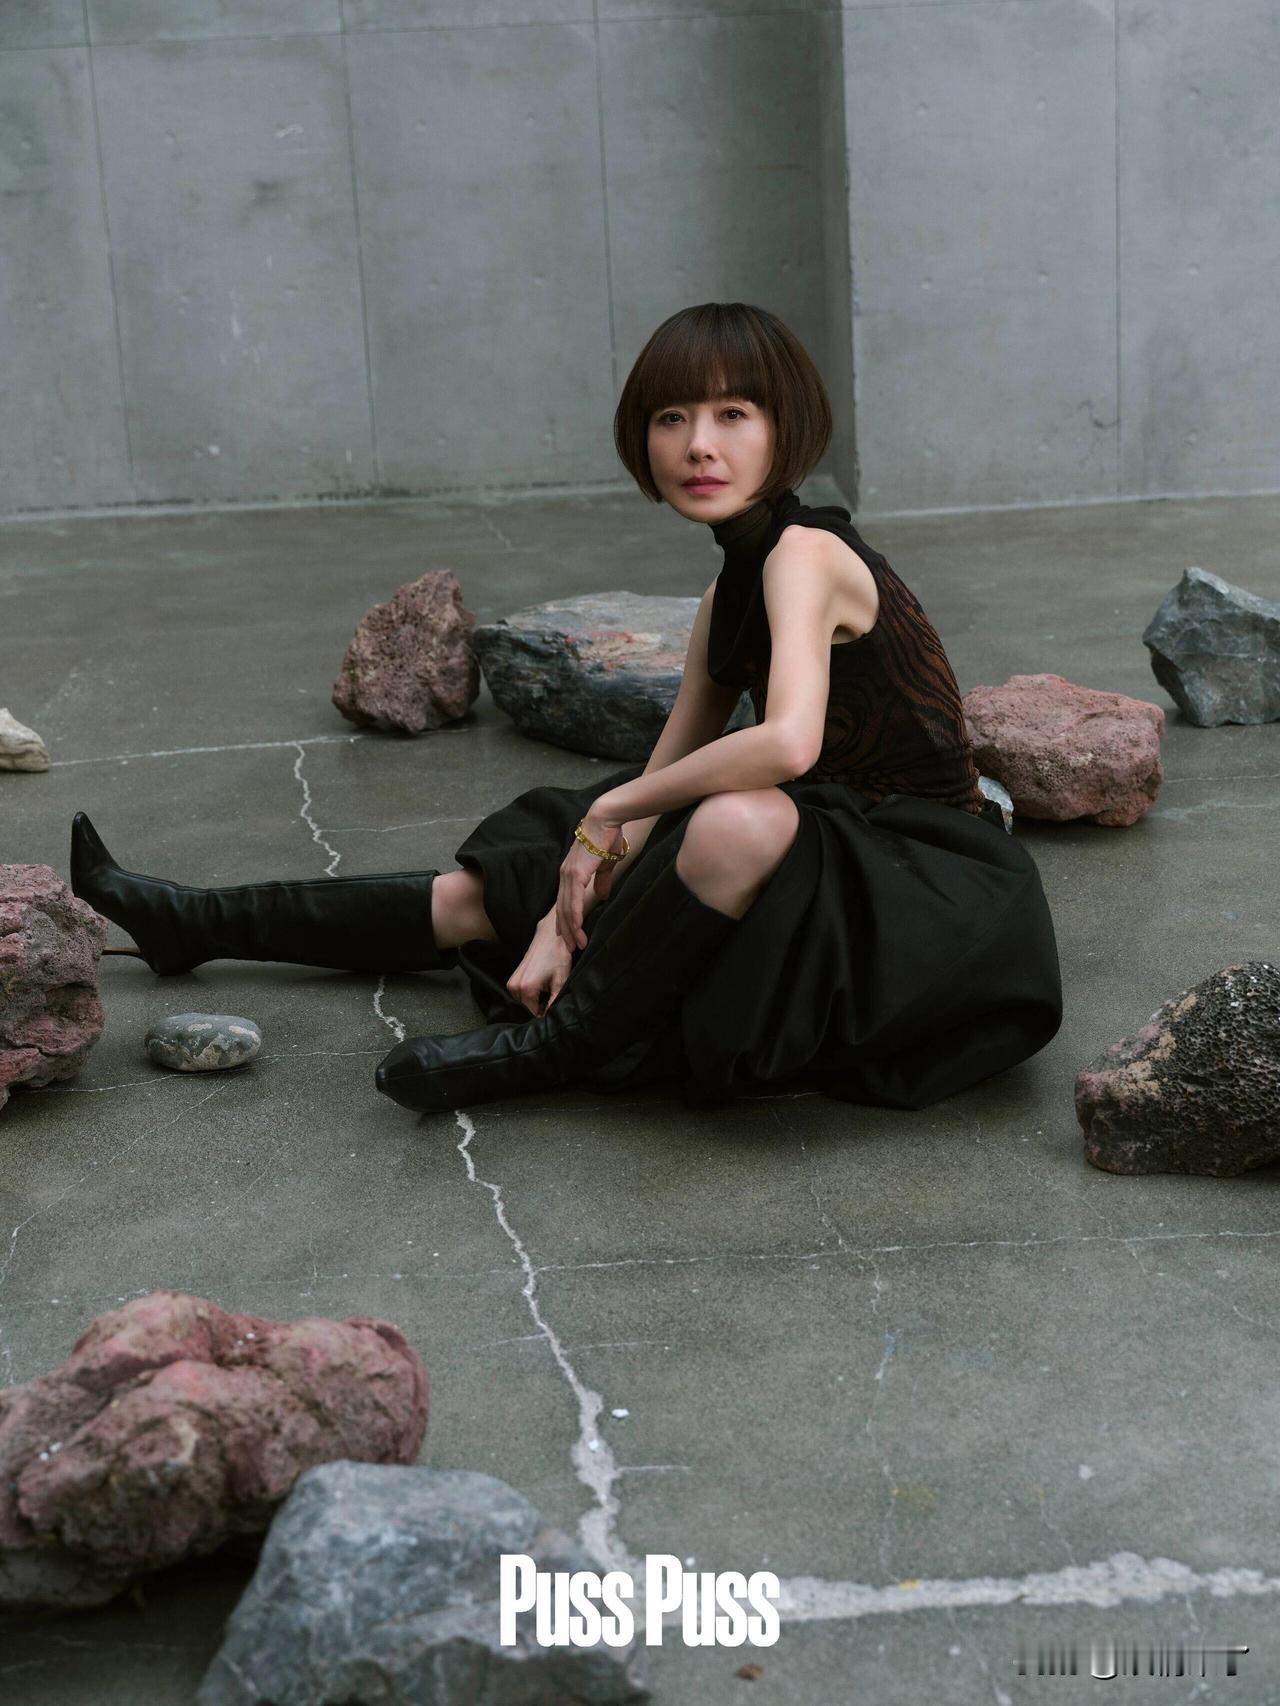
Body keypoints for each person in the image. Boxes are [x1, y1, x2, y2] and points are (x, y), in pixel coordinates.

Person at [71, 301, 1062, 1118]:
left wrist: (607, 818)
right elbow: (665, 769)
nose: (698, 445)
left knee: (732, 814)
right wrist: (561, 905)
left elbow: (787, 742)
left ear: (784, 426)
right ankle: (191, 921)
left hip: (918, 887)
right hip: (818, 840)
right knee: (497, 892)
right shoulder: (728, 590)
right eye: (671, 417)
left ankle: (547, 1050)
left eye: (731, 414)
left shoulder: (806, 552)